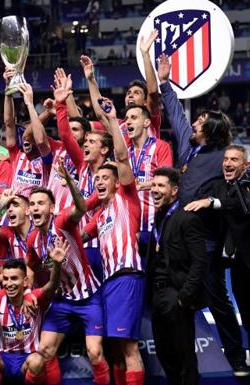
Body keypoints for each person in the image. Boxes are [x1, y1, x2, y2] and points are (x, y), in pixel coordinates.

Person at [156, 53, 250, 375]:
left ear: (209, 131)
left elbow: (243, 168)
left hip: (207, 242)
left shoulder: (222, 156)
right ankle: (183, 365)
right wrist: (164, 81)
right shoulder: (188, 148)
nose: (193, 123)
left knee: (217, 302)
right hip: (178, 241)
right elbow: (174, 113)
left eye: (199, 122)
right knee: (177, 302)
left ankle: (237, 357)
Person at [184, 145, 250, 385]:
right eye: (226, 159)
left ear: (246, 165)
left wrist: (215, 202)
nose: (228, 163)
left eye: (234, 160)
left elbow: (238, 204)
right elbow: (215, 199)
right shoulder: (218, 187)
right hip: (238, 266)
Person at [81, 97, 145, 385]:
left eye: (106, 178)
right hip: (107, 282)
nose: (101, 182)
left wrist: (112, 120)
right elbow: (79, 235)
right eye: (98, 179)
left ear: (118, 182)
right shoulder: (101, 213)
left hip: (126, 278)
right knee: (117, 350)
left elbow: (121, 158)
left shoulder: (126, 199)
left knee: (129, 348)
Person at [26, 175, 105, 385]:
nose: (35, 207)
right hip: (62, 300)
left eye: (40, 203)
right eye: (32, 204)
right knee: (45, 349)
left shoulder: (61, 222)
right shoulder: (33, 238)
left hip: (89, 296)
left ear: (51, 208)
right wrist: (28, 291)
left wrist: (70, 182)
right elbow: (30, 265)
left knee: (95, 351)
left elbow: (80, 208)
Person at [147, 168, 210, 385]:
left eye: (160, 186)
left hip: (176, 296)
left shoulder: (187, 218)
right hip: (157, 295)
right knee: (165, 355)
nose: (155, 190)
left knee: (185, 358)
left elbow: (200, 261)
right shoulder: (159, 216)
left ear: (174, 190)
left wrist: (184, 295)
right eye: (153, 185)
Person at [53, 69, 113, 281]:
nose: (85, 144)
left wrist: (84, 221)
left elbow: (97, 204)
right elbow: (65, 135)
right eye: (85, 142)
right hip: (80, 243)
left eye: (91, 142)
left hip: (103, 242)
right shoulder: (81, 166)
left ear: (104, 150)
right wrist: (61, 104)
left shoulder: (113, 174)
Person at [0, 243, 66, 384]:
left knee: (37, 361)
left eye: (14, 278)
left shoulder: (35, 298)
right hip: (5, 359)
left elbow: (52, 286)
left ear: (25, 281)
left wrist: (57, 264)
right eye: (5, 279)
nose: (9, 283)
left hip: (27, 359)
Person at [121, 103, 173, 258]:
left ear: (146, 123)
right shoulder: (124, 153)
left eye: (134, 117)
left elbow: (167, 178)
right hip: (129, 224)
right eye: (127, 118)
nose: (128, 121)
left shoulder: (160, 147)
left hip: (153, 221)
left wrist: (140, 185)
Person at [4, 74, 53, 198]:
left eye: (31, 137)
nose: (26, 139)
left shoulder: (47, 160)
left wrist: (48, 113)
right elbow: (9, 123)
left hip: (36, 213)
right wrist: (8, 91)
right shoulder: (16, 154)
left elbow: (36, 136)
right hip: (16, 211)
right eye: (23, 134)